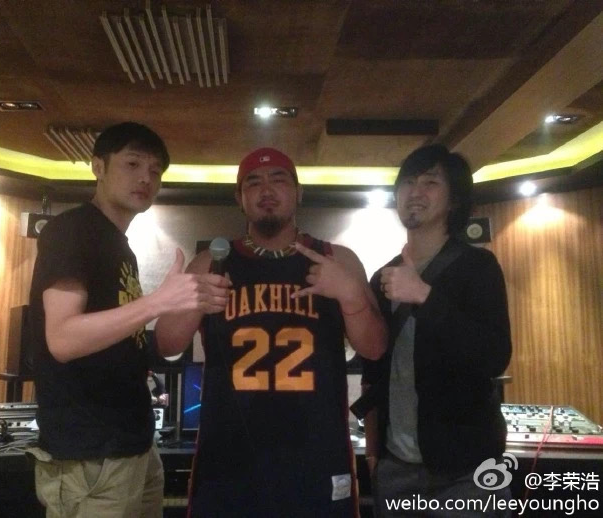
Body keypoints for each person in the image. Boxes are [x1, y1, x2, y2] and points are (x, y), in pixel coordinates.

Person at [155, 147, 387, 517]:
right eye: (254, 182)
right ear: (239, 197)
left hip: (316, 459)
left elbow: (375, 349)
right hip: (228, 461)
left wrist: (351, 296)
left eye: (278, 179)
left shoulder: (336, 259)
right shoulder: (212, 262)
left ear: (298, 192)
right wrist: (194, 301)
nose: (266, 190)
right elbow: (167, 344)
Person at [27, 122, 230, 518]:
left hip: (133, 446)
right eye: (132, 164)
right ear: (98, 167)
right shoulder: (71, 230)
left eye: (155, 170)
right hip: (90, 457)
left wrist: (183, 308)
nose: (145, 178)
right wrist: (157, 302)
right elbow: (63, 339)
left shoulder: (119, 246)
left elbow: (125, 341)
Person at [359, 144, 512, 516]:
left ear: (454, 200)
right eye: (408, 182)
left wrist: (425, 296)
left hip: (467, 471)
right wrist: (375, 453)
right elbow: (374, 372)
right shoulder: (383, 277)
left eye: (430, 182)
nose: (415, 191)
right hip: (395, 469)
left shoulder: (477, 266)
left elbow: (494, 357)